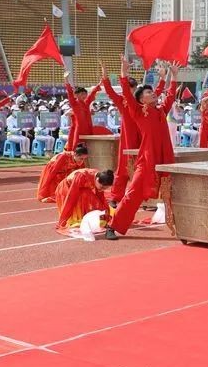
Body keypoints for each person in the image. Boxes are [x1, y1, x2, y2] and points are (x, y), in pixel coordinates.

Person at [105, 56, 178, 240]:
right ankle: (112, 226)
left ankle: (184, 227)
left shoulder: (161, 111)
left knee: (173, 193)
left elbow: (170, 96)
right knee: (132, 194)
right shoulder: (138, 112)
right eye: (148, 92)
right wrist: (124, 72)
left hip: (165, 160)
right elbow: (127, 94)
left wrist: (173, 77)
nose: (152, 93)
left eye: (152, 91)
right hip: (147, 161)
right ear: (140, 99)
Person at [101, 63, 166, 206]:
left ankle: (145, 196)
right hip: (128, 138)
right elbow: (110, 92)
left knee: (145, 167)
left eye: (134, 88)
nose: (132, 90)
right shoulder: (123, 101)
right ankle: (115, 196)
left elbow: (156, 92)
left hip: (142, 137)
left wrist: (162, 79)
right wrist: (105, 76)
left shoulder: (142, 105)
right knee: (124, 167)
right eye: (130, 88)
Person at [63, 73, 101, 150]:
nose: (84, 96)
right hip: (79, 129)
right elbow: (70, 93)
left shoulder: (86, 103)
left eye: (85, 94)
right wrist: (66, 80)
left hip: (88, 128)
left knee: (88, 148)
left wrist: (99, 84)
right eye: (82, 94)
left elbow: (92, 94)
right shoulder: (74, 103)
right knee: (76, 148)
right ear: (76, 95)